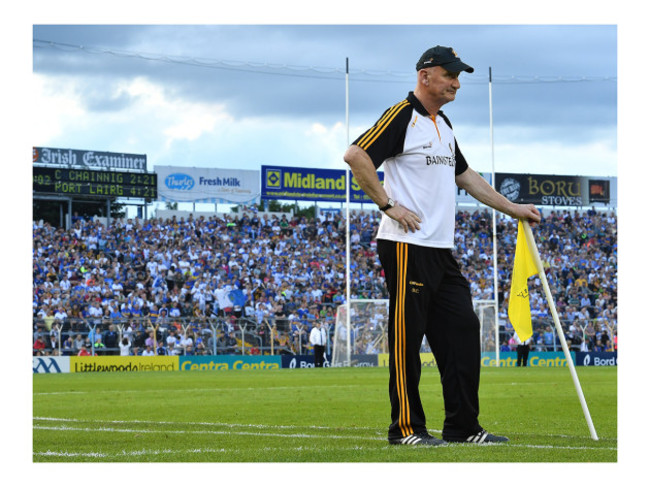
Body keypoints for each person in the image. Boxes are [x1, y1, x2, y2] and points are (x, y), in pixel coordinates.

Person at [343, 45, 541, 447]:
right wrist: (388, 205)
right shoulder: (402, 116)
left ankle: (463, 427)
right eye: (450, 74)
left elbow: (466, 177)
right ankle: (406, 429)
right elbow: (356, 154)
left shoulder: (443, 124)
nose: (456, 82)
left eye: (459, 76)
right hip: (404, 245)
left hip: (439, 249)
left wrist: (513, 209)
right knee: (406, 339)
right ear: (425, 75)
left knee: (464, 331)